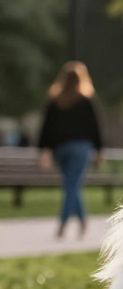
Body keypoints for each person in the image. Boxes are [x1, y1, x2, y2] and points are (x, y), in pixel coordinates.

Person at [37, 61, 104, 239]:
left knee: (71, 185)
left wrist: (45, 150)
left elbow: (46, 128)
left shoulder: (55, 101)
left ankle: (75, 223)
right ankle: (66, 222)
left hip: (61, 149)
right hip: (81, 149)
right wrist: (99, 151)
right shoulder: (85, 101)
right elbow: (95, 128)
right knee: (72, 185)